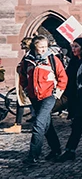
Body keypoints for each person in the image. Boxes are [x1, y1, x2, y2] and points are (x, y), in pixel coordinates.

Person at [18, 36, 68, 165]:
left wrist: (58, 92)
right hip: (35, 96)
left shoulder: (52, 59)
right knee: (46, 124)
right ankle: (56, 150)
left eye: (45, 47)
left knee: (38, 124)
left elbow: (63, 76)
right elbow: (23, 76)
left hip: (49, 95)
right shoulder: (27, 60)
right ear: (35, 47)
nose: (43, 49)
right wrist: (26, 89)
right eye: (41, 47)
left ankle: (33, 156)